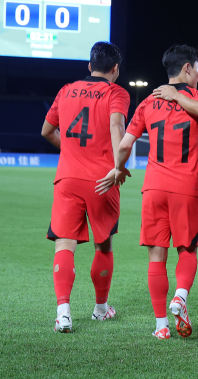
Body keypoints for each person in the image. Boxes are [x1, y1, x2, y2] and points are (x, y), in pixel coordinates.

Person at [113, 45, 198, 340]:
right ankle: (180, 296)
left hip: (153, 187)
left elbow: (124, 145)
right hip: (184, 187)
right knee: (187, 250)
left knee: (156, 256)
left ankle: (161, 325)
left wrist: (119, 167)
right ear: (186, 68)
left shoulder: (148, 102)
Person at [41, 41, 130, 333]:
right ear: (115, 69)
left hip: (67, 178)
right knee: (102, 243)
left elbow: (46, 131)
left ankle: (63, 312)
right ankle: (100, 309)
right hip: (102, 180)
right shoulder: (116, 92)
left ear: (89, 65)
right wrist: (118, 166)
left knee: (64, 243)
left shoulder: (66, 90)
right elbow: (117, 126)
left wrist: (69, 153)